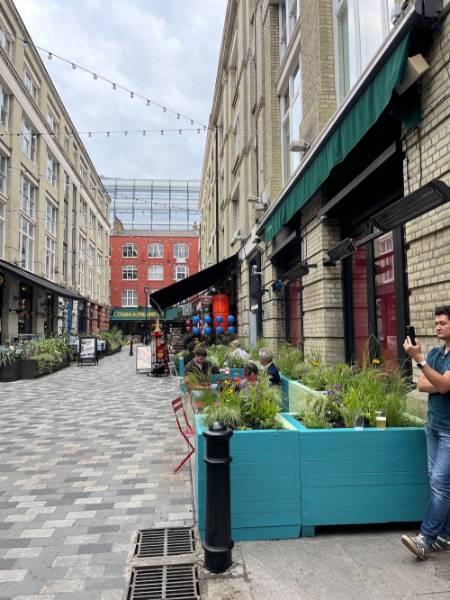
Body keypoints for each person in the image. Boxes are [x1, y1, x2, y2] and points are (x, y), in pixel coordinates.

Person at [401, 306, 450, 560]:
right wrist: (436, 379)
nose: (437, 327)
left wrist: (419, 361)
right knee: (438, 482)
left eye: (442, 323)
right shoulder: (434, 352)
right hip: (434, 426)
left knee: (441, 485)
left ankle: (426, 539)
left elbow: (443, 385)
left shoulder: (427, 356)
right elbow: (421, 384)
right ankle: (446, 536)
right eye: (436, 323)